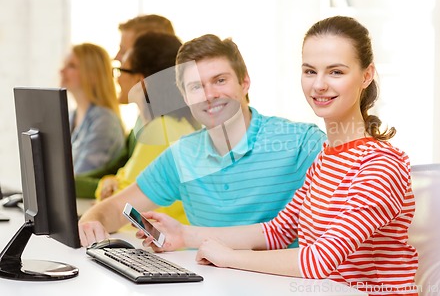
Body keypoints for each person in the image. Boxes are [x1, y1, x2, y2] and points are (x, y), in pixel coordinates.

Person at [136, 17, 419, 296]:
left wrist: (229, 257)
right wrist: (184, 235)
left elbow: (318, 260)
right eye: (310, 71)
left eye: (335, 72)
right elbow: (277, 231)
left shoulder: (381, 165)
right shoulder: (326, 159)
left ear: (366, 75)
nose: (319, 85)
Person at [78, 34, 326, 247]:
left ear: (245, 82)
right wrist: (93, 223)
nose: (210, 95)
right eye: (196, 87)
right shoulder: (183, 156)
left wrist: (187, 237)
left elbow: (330, 239)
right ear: (184, 96)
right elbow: (113, 209)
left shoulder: (302, 143)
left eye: (220, 80)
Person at [93, 33, 200, 226]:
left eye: (121, 70)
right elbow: (120, 182)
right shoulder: (173, 124)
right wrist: (109, 182)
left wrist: (109, 186)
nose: (117, 79)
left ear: (141, 81)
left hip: (162, 247)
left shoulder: (161, 131)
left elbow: (122, 208)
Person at [75, 14, 177, 198]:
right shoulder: (144, 119)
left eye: (125, 51)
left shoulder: (164, 127)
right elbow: (120, 172)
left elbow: (128, 194)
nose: (116, 57)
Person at [60, 43, 125, 175]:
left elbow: (79, 178)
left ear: (93, 75)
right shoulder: (72, 116)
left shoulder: (104, 121)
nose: (61, 71)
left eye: (71, 66)